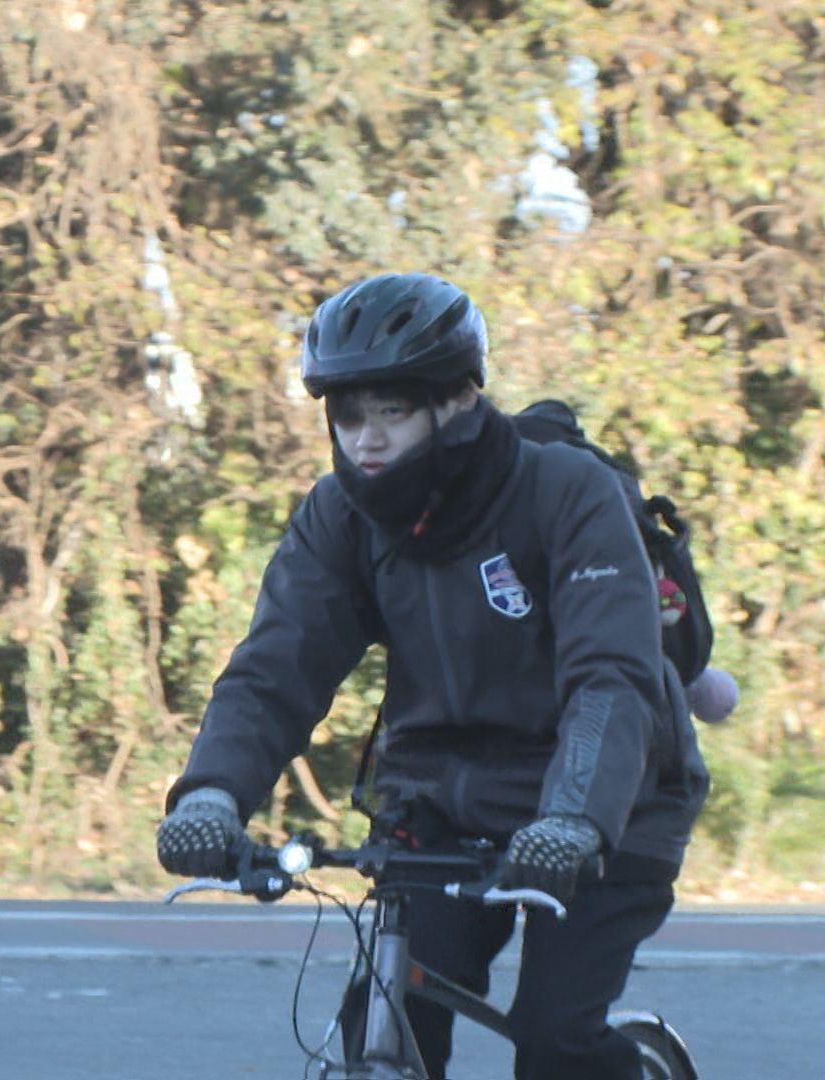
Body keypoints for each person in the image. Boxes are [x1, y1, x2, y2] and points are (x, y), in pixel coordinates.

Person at [154, 273, 709, 1079]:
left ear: (454, 403)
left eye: (392, 411)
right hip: (438, 803)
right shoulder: (340, 516)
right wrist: (212, 792)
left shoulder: (564, 493)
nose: (366, 440)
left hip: (610, 801)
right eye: (347, 416)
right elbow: (275, 669)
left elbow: (610, 680)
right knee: (381, 1019)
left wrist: (576, 820)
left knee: (555, 1044)